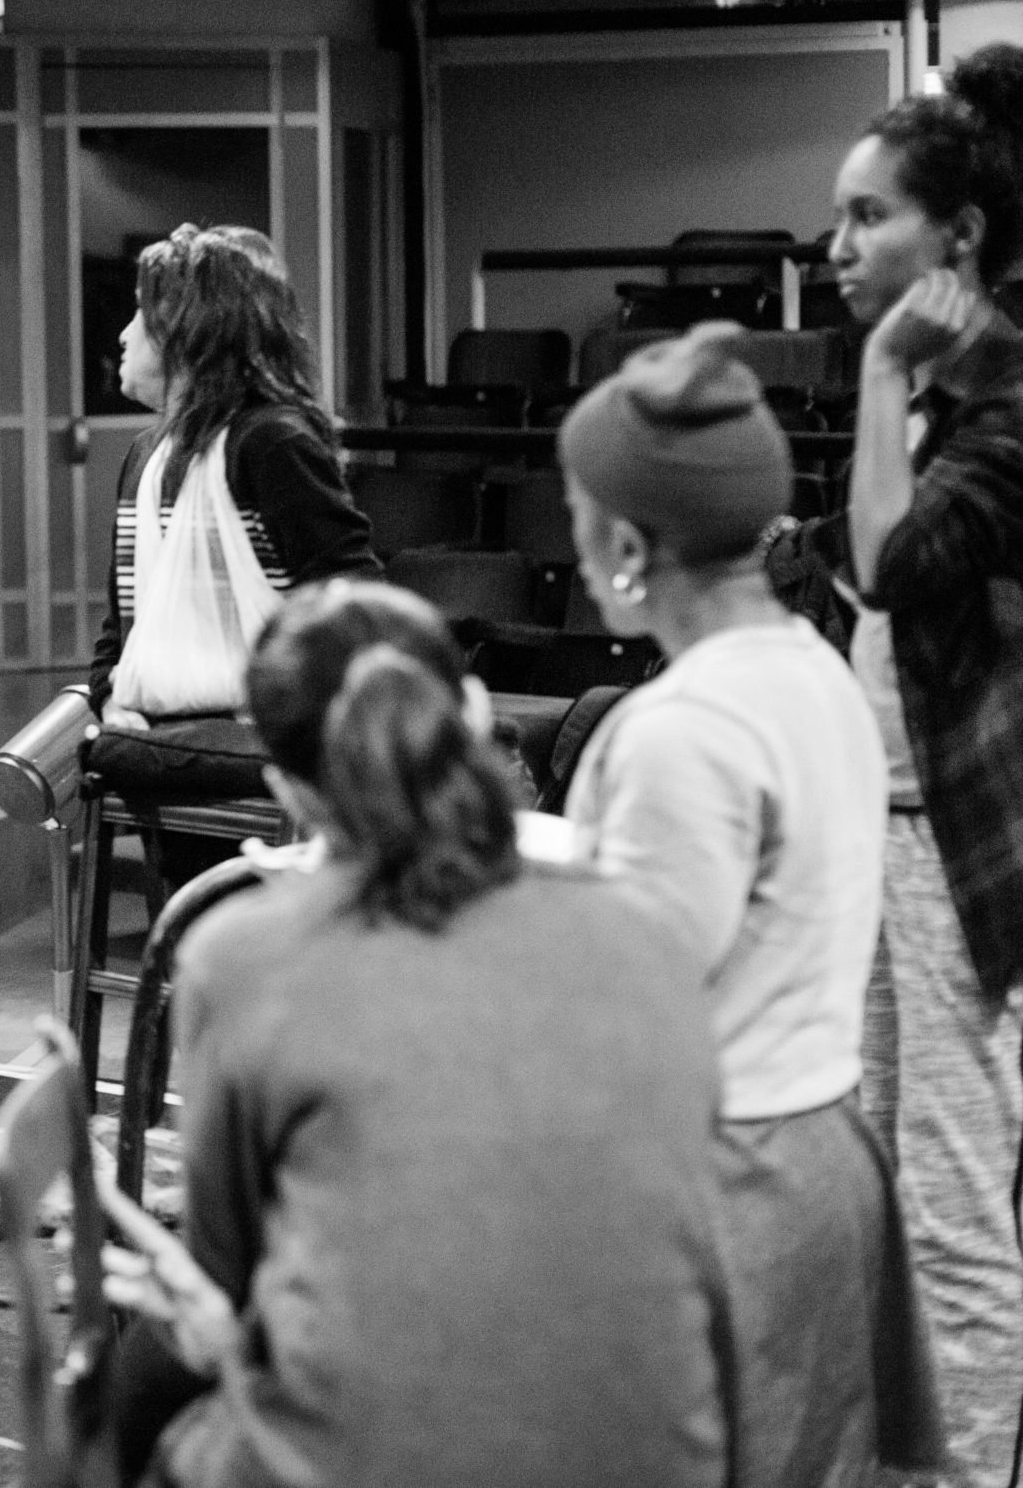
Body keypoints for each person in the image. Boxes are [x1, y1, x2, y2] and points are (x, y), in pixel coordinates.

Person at [101, 580, 732, 1488]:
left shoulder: (242, 954)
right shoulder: (646, 920)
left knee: (129, 1405)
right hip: (656, 1447)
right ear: (473, 712)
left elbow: (230, 1268)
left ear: (286, 790)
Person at [560, 329, 939, 1487]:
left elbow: (633, 1011)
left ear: (625, 540)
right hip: (821, 1159)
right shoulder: (816, 671)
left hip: (719, 1184)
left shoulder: (683, 731)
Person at [807, 41, 1023, 1488]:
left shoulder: (1003, 399)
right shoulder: (951, 394)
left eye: (867, 216)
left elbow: (887, 561)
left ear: (961, 238)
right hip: (882, 835)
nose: (837, 249)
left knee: (952, 1216)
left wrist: (885, 369)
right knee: (880, 1193)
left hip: (957, 855)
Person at [90, 224, 375, 735]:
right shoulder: (144, 455)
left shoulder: (269, 442)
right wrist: (110, 698)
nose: (124, 334)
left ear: (190, 328)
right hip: (152, 728)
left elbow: (349, 596)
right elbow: (122, 625)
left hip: (269, 730)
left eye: (140, 312)